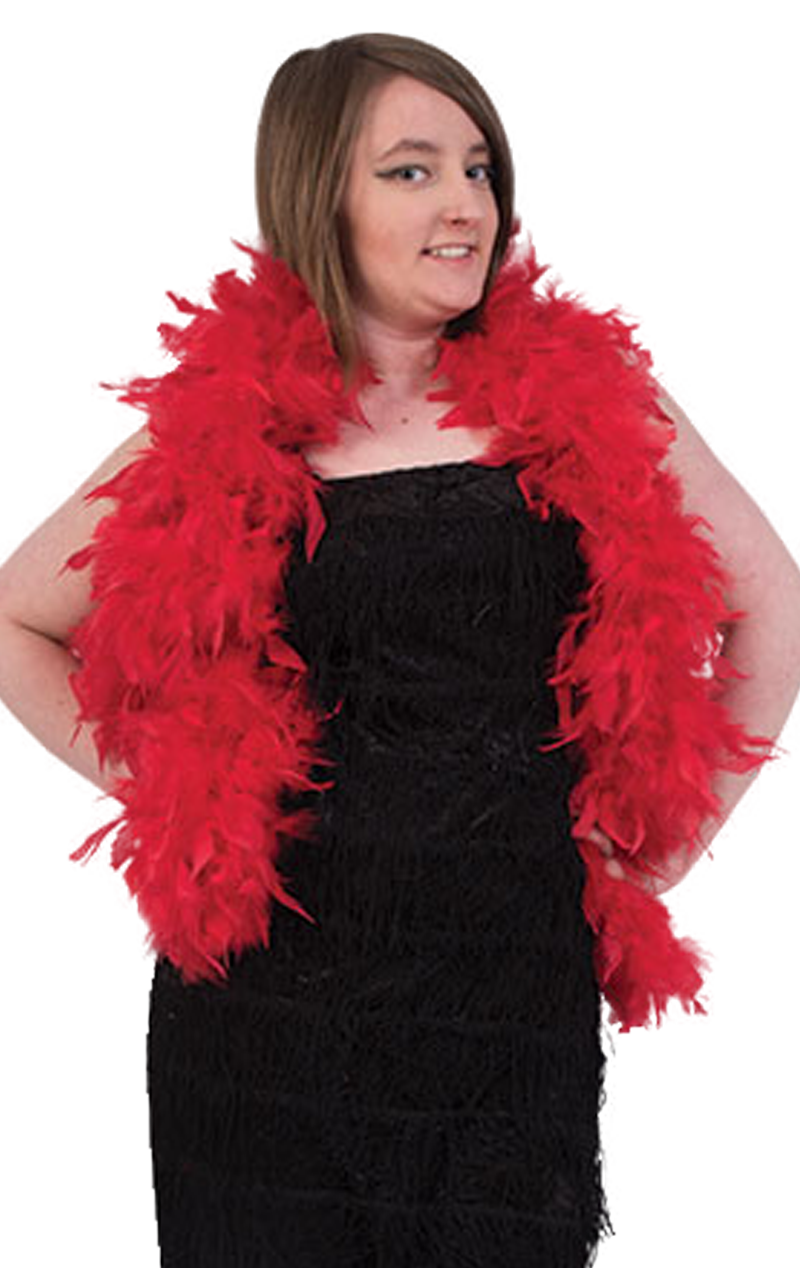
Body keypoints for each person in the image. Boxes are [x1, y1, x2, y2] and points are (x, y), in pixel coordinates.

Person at [2, 32, 793, 1268]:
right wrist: (160, 789)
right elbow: (15, 616)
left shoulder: (593, 393)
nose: (464, 205)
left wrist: (673, 848)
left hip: (506, 997)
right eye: (411, 171)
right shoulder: (213, 421)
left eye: (478, 170)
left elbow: (770, 599)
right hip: (266, 1016)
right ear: (317, 196)